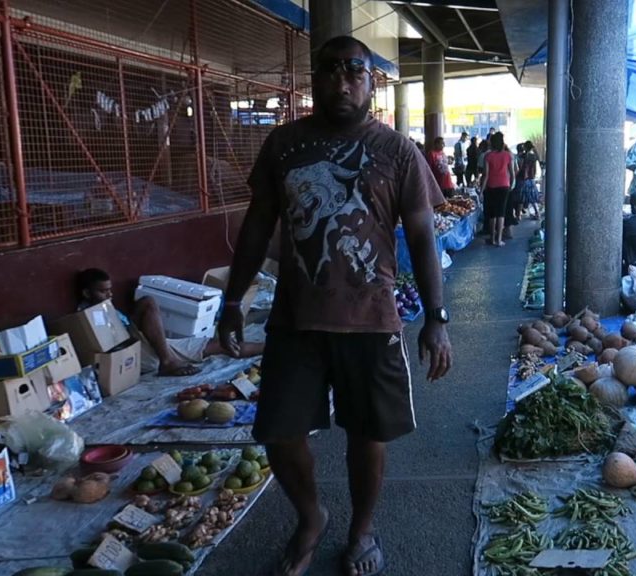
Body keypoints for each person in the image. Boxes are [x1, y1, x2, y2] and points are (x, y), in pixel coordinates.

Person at [215, 36, 452, 576]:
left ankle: (362, 529)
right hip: (294, 319)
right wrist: (233, 297)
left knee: (366, 434)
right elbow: (256, 227)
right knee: (277, 431)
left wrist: (436, 319)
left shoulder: (397, 151)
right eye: (331, 71)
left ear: (371, 82)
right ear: (315, 79)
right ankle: (311, 515)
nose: (343, 82)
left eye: (356, 72)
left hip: (370, 320)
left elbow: (422, 237)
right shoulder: (283, 145)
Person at [75, 268, 264, 377]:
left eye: (110, 290)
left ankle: (272, 348)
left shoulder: (108, 308)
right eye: (103, 292)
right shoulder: (85, 316)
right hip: (135, 355)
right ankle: (167, 361)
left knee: (220, 344)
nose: (109, 295)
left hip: (149, 345)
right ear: (86, 293)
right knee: (148, 303)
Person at [480, 132, 514, 247]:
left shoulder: (487, 156)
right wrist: (511, 185)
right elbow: (512, 173)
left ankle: (492, 238)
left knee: (492, 214)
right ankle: (499, 240)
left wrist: (481, 190)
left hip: (491, 187)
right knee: (501, 213)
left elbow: (485, 174)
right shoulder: (508, 155)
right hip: (504, 186)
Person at [519, 140, 540, 220]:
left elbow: (524, 167)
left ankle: (519, 214)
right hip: (531, 177)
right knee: (532, 197)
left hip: (525, 177)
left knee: (523, 196)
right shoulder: (534, 156)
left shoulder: (525, 155)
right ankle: (536, 212)